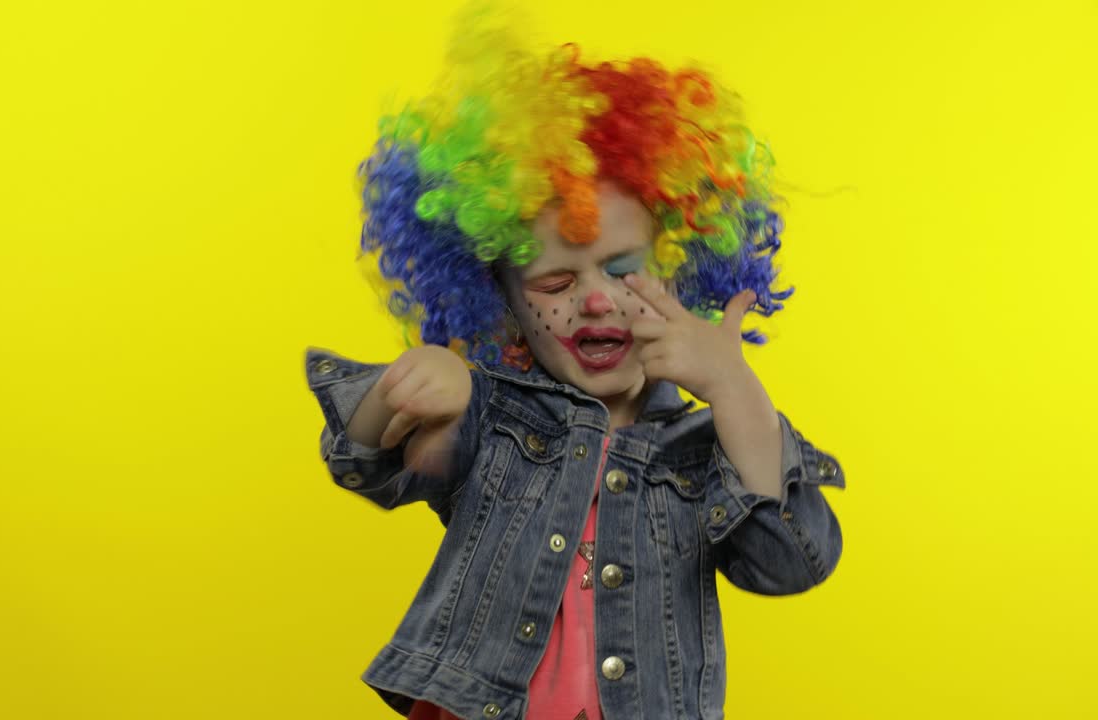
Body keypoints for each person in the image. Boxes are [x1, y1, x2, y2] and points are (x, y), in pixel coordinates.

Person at [304, 8, 845, 719]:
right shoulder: (493, 418)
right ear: (501, 301)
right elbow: (365, 464)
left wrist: (733, 387)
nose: (594, 302)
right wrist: (403, 392)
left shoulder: (703, 455)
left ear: (679, 273)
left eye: (624, 273)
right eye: (556, 284)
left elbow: (792, 561)